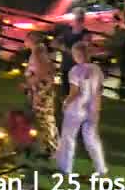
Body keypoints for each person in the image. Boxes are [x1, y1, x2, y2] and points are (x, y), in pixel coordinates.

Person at [55, 41, 107, 176]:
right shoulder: (97, 70)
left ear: (77, 55)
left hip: (76, 109)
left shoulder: (75, 71)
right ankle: (101, 169)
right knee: (92, 139)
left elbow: (75, 92)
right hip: (92, 109)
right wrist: (97, 109)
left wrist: (66, 102)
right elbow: (99, 91)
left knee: (68, 138)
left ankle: (66, 168)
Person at [24, 34, 59, 153]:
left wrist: (32, 84)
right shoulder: (41, 52)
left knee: (44, 119)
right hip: (42, 90)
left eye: (26, 39)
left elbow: (42, 73)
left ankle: (51, 148)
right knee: (46, 119)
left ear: (32, 40)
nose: (25, 42)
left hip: (41, 91)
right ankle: (49, 146)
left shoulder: (37, 53)